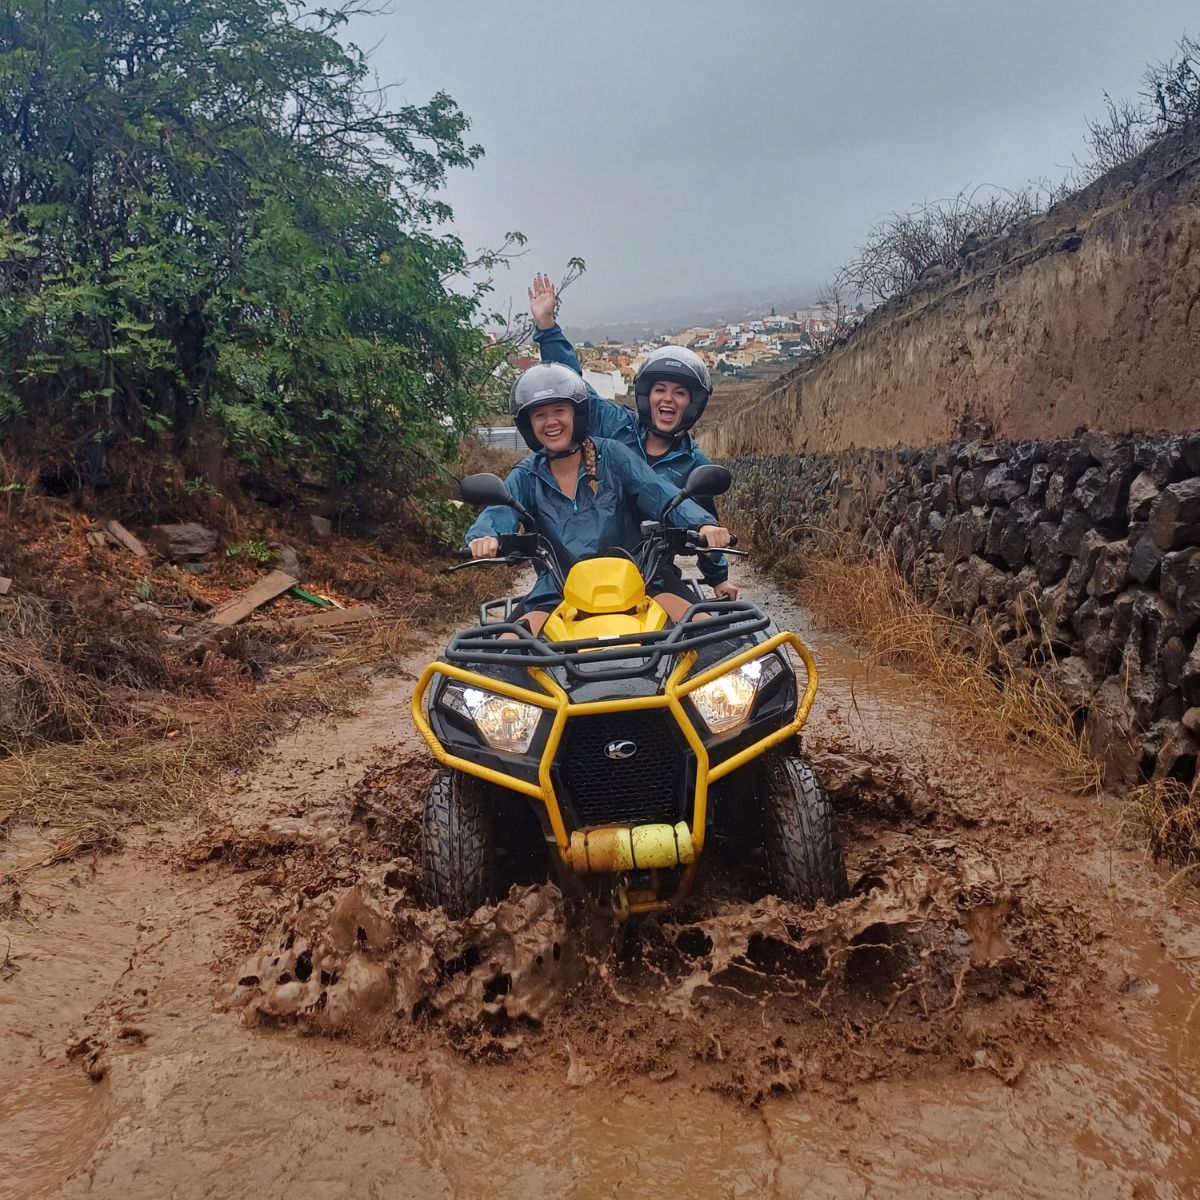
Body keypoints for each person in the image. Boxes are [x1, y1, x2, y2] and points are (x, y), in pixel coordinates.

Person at [466, 362, 731, 636]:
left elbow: (661, 494)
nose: (551, 421)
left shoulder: (614, 455)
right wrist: (487, 535)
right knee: (506, 653)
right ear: (528, 424)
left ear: (577, 415)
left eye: (559, 411)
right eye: (540, 415)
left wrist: (703, 525)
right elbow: (501, 509)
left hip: (643, 579)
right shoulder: (526, 475)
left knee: (711, 638)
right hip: (558, 589)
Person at [528, 273, 738, 603]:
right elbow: (572, 389)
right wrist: (548, 327)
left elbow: (700, 520)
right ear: (646, 396)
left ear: (692, 404)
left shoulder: (695, 464)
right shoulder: (614, 428)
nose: (668, 399)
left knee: (705, 637)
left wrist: (718, 578)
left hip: (652, 576)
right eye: (660, 390)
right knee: (523, 643)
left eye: (679, 393)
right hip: (579, 573)